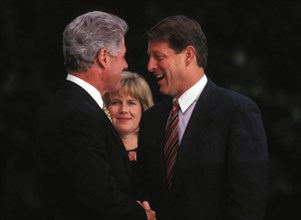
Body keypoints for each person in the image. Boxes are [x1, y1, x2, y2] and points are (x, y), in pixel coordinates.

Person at [136, 15, 268, 220]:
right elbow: (144, 189)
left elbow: (248, 202)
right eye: (149, 57)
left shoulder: (237, 111)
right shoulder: (151, 119)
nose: (150, 66)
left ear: (188, 54)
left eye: (158, 56)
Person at [36, 11, 155, 220]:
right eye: (122, 56)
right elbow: (99, 196)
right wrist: (143, 215)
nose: (125, 65)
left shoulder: (77, 105)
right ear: (104, 57)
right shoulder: (76, 115)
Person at [103, 71, 154, 162]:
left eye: (131, 103)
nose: (123, 110)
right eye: (116, 102)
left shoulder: (156, 147)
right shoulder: (96, 146)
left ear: (143, 107)